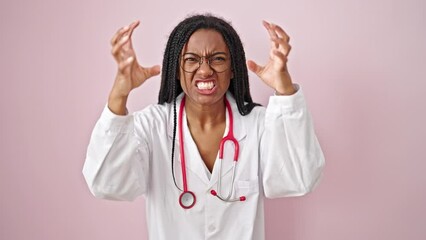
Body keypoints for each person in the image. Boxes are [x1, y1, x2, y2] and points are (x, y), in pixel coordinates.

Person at [83, 14, 325, 240]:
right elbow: (106, 184)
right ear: (176, 70)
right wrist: (119, 94)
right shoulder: (152, 125)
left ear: (233, 69)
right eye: (191, 60)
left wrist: (284, 91)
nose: (205, 70)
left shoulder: (260, 124)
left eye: (217, 59)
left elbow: (299, 179)